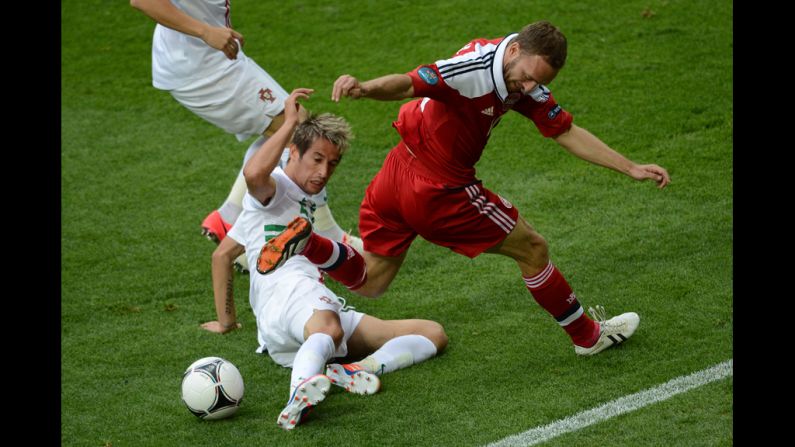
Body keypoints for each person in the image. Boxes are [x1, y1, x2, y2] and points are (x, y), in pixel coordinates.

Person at [258, 21, 671, 356]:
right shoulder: (472, 70)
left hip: (396, 174)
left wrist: (630, 167)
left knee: (371, 281)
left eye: (536, 83)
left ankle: (310, 244)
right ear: (513, 52)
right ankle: (587, 336)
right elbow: (407, 83)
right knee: (532, 248)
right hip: (439, 190)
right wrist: (365, 88)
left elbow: (565, 131)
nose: (527, 89)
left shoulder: (518, 78)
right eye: (526, 77)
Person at [203, 88, 447, 430]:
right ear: (292, 152)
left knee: (431, 334)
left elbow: (222, 254)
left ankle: (352, 370)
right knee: (328, 328)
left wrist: (227, 322)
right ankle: (297, 396)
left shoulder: (288, 204)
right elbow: (254, 176)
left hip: (294, 320)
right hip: (289, 292)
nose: (324, 170)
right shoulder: (276, 187)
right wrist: (289, 121)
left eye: (332, 163)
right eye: (316, 158)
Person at [130, 0, 363, 273]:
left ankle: (228, 216)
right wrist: (206, 31)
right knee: (298, 130)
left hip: (212, 56)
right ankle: (328, 234)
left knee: (287, 126)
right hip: (203, 68)